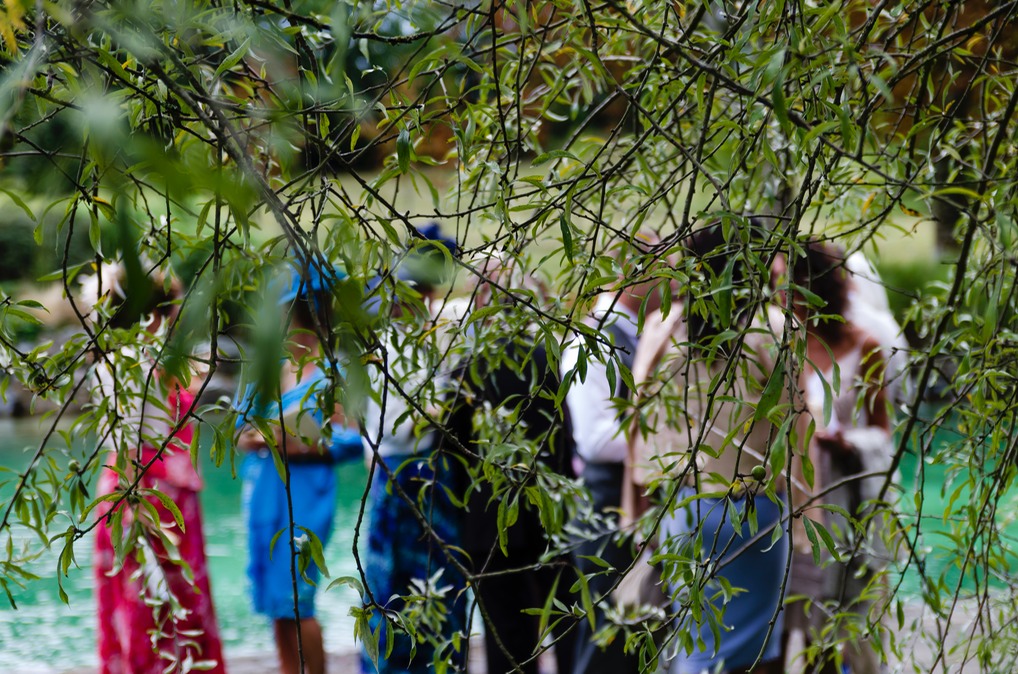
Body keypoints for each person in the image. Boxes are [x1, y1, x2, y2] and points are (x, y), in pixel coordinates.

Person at [625, 224, 805, 674]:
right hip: (753, 512)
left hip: (684, 509)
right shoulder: (774, 327)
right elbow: (796, 429)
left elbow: (639, 416)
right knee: (759, 650)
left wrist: (644, 503)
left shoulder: (663, 327)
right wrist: (805, 515)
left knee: (693, 639)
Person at [442, 255, 577, 674]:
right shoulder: (544, 358)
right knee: (566, 623)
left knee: (507, 639)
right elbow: (564, 436)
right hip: (550, 513)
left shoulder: (467, 367)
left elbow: (447, 448)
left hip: (489, 521)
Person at [89, 262, 226, 674]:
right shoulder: (129, 365)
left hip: (166, 500)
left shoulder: (150, 359)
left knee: (168, 611)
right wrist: (136, 512)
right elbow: (129, 448)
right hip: (145, 500)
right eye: (172, 306)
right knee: (153, 610)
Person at [235, 260, 362, 674]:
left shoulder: (334, 373)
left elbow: (353, 440)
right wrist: (265, 437)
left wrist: (300, 445)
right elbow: (238, 435)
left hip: (306, 496)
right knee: (277, 603)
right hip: (264, 493)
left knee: (298, 598)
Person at [360, 223, 469, 674]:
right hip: (406, 479)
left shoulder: (420, 341)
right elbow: (398, 431)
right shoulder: (392, 346)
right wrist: (446, 400)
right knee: (399, 591)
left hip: (423, 479)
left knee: (432, 591)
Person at [787, 240, 894, 674]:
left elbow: (883, 432)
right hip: (797, 500)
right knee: (802, 622)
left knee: (850, 619)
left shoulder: (864, 346)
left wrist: (848, 442)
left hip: (847, 499)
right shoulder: (780, 344)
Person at [561, 233, 662, 674]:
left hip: (633, 508)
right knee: (608, 641)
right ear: (633, 274)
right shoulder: (594, 341)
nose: (670, 281)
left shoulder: (635, 334)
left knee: (634, 635)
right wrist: (667, 437)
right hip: (604, 510)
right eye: (662, 267)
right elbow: (594, 440)